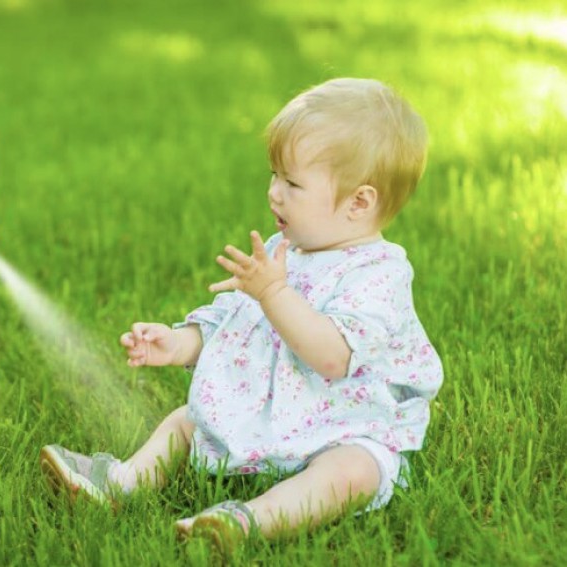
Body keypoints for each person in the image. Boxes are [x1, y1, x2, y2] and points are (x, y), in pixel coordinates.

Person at [39, 78, 444, 553]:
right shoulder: (282, 250)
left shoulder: (379, 275)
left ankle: (247, 521)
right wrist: (179, 341)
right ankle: (120, 483)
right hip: (270, 409)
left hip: (344, 424)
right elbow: (235, 323)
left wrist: (274, 292)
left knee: (354, 470)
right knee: (188, 419)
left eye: (292, 183)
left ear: (359, 202)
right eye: (275, 175)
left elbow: (333, 357)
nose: (274, 193)